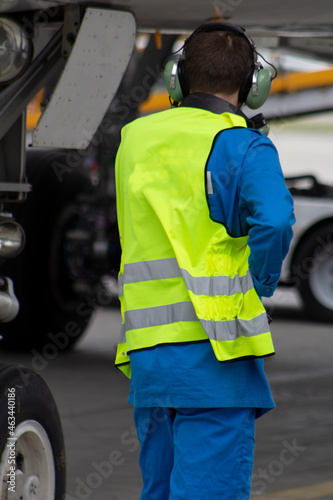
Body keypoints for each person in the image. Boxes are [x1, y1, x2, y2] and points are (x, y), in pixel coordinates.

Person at [115, 22, 295, 500]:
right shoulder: (242, 144)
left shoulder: (134, 138)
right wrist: (260, 281)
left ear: (177, 79)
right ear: (252, 85)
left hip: (149, 357)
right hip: (217, 356)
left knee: (159, 490)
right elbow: (275, 222)